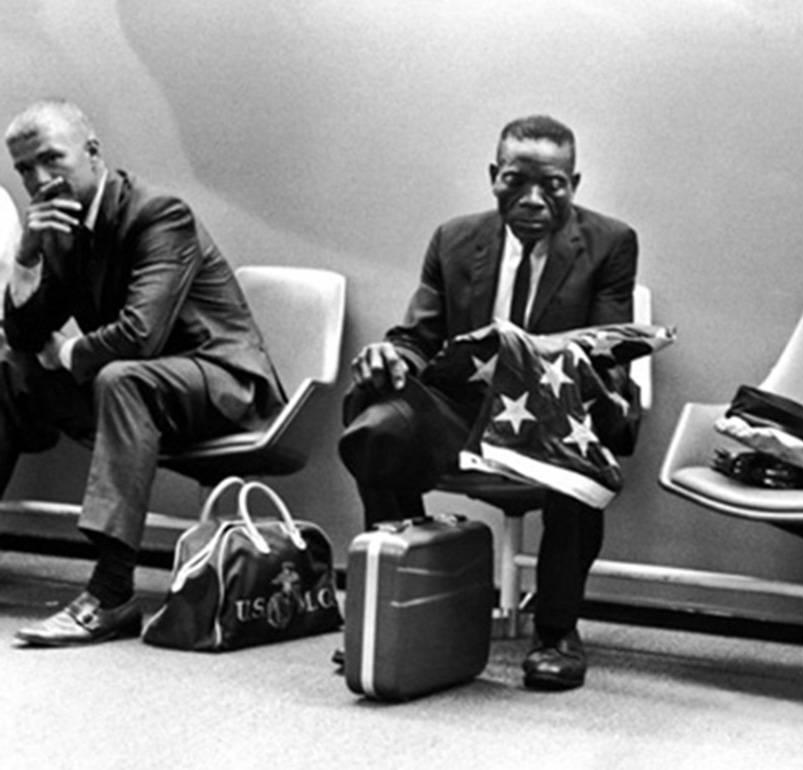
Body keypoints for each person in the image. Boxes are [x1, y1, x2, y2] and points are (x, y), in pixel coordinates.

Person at [339, 115, 638, 691]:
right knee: (377, 426)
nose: (533, 198)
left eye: (552, 184)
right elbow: (418, 337)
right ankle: (403, 594)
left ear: (574, 183)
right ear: (492, 177)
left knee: (580, 456)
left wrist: (545, 369)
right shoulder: (454, 239)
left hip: (556, 409)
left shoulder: (610, 244)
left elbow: (607, 355)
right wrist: (391, 355)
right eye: (515, 180)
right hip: (465, 413)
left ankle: (555, 632)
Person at [2, 99, 285, 646]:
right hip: (141, 392)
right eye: (23, 169)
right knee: (9, 372)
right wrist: (28, 256)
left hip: (222, 383)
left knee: (121, 378)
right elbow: (22, 337)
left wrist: (64, 354)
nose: (39, 180)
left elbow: (140, 335)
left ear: (92, 153)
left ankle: (111, 594)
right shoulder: (60, 228)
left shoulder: (159, 213)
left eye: (51, 159)